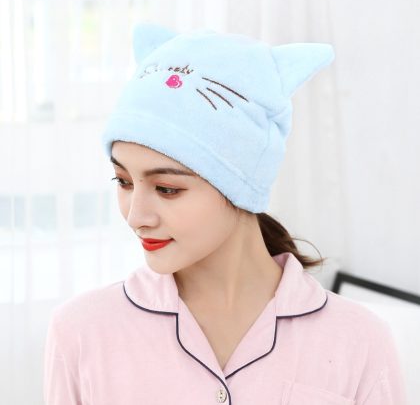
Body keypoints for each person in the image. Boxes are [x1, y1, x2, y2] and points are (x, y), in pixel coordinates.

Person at [43, 22, 407, 404]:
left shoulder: (359, 342)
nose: (136, 217)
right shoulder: (80, 334)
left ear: (241, 184)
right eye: (123, 181)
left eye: (167, 189)